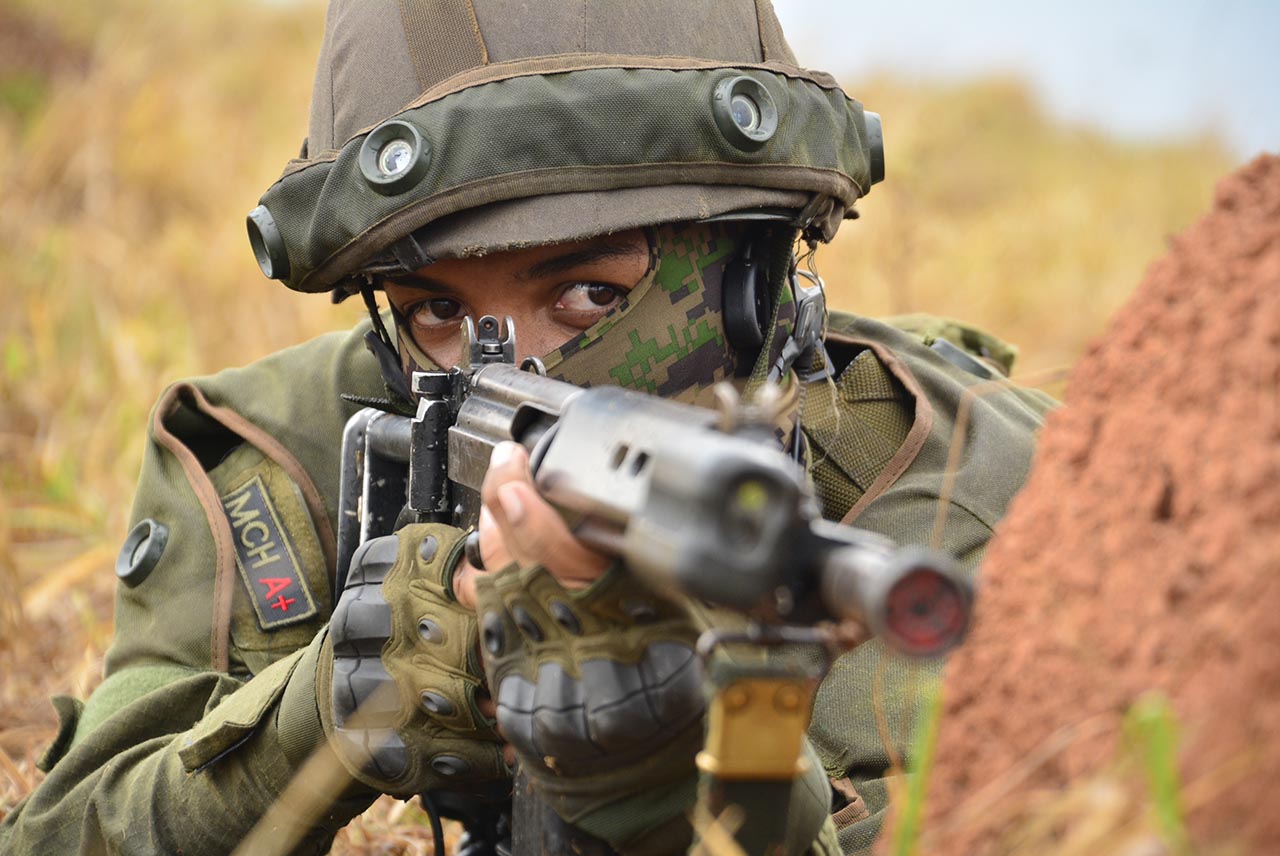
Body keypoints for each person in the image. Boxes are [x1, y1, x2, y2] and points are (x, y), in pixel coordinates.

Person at [0, 2, 1054, 854]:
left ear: (754, 275)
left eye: (591, 295)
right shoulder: (287, 451)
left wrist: (646, 748)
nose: (509, 370)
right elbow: (66, 831)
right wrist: (335, 700)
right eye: (436, 309)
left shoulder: (953, 494)